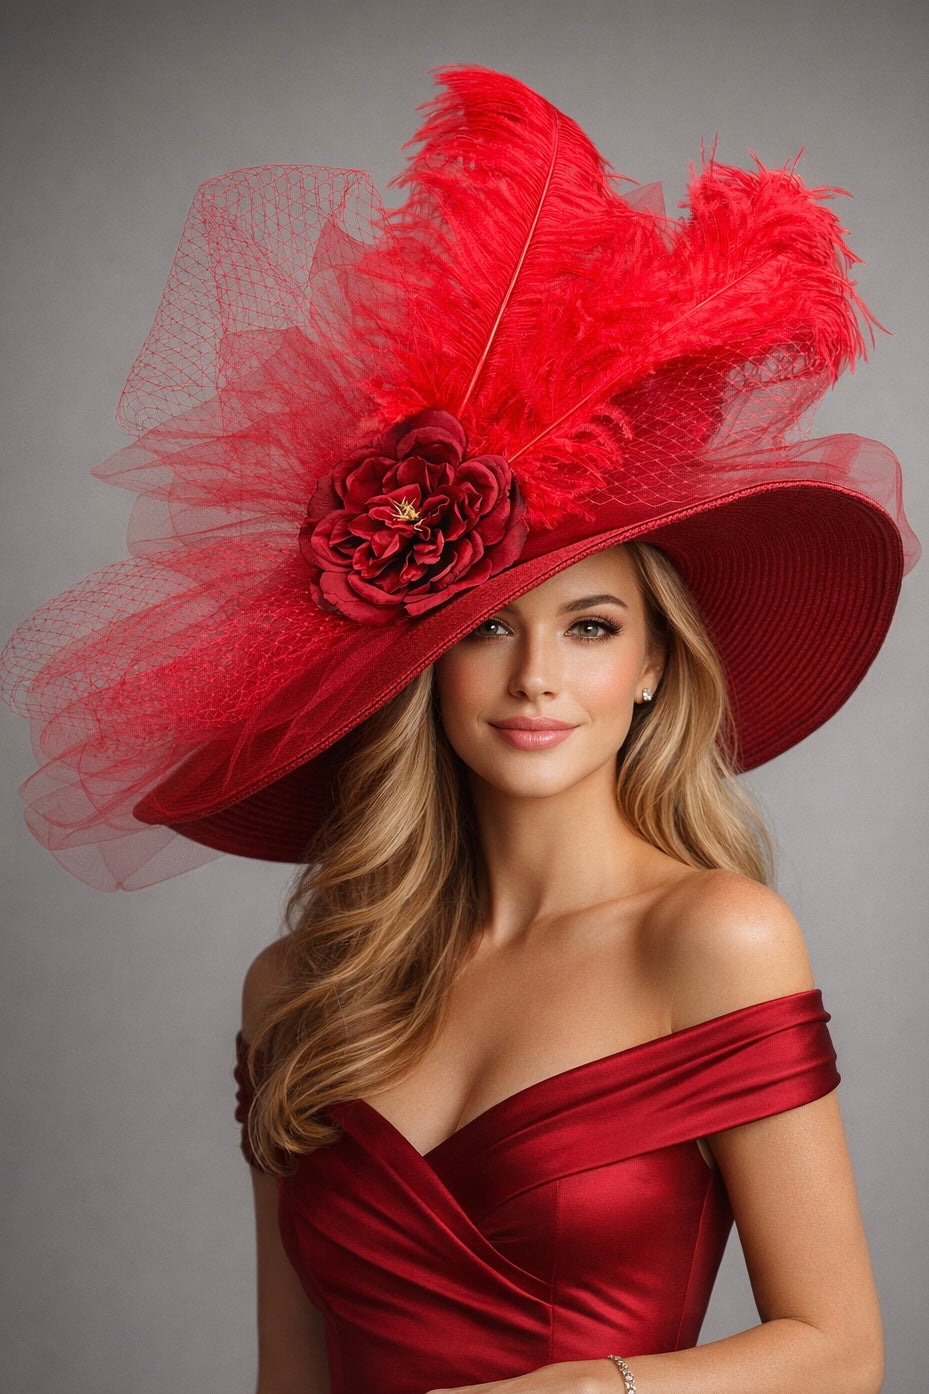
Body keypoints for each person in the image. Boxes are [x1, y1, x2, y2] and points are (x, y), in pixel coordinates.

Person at [0, 66, 918, 1394]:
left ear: (653, 666)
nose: (536, 676)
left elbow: (841, 1352)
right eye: (485, 627)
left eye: (590, 626)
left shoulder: (713, 938)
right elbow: (286, 1377)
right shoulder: (298, 990)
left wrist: (589, 1389)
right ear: (420, 664)